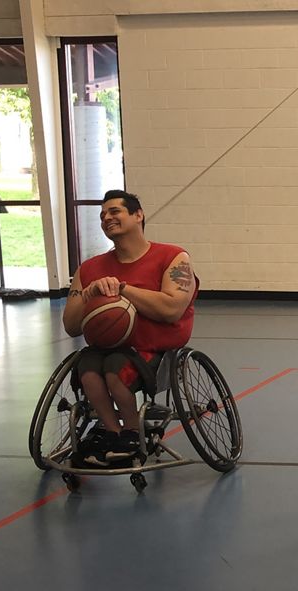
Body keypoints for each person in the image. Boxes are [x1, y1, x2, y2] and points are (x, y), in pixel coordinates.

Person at [61, 190, 198, 467]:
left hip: (151, 347)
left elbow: (172, 308)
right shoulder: (89, 268)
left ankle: (134, 432)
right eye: (102, 215)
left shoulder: (173, 257)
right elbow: (71, 326)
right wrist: (88, 294)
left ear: (138, 215)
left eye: (114, 211)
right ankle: (113, 432)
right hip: (106, 344)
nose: (107, 218)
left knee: (115, 370)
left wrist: (123, 289)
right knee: (87, 370)